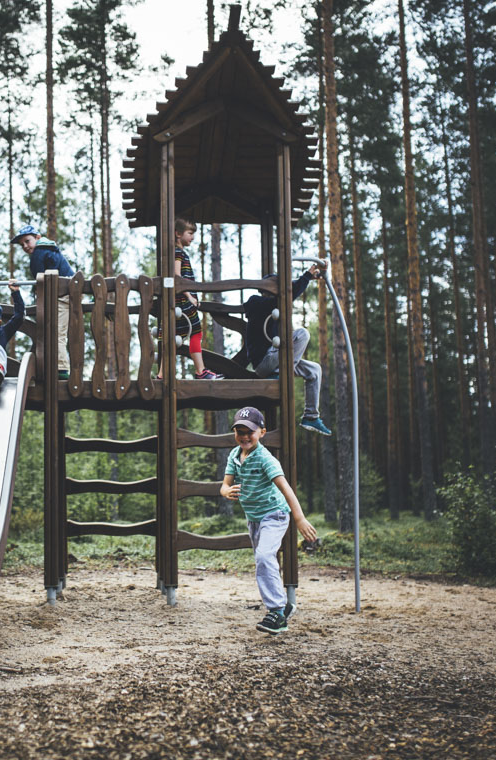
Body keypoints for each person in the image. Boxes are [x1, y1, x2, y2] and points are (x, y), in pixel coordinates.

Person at [219, 406, 318, 635]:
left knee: (264, 557)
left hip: (275, 514)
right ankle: (285, 605)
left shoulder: (266, 459)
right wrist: (226, 492)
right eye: (239, 431)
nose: (244, 436)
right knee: (262, 561)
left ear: (262, 432)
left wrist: (300, 518)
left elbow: (286, 488)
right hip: (254, 518)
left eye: (249, 431)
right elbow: (224, 484)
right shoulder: (234, 455)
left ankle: (276, 613)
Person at [242, 267, 332, 436]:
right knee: (302, 334)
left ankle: (311, 416)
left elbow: (290, 290)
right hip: (264, 363)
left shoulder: (276, 306)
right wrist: (306, 276)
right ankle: (278, 373)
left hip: (277, 359)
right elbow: (287, 295)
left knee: (314, 370)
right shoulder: (255, 302)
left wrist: (309, 277)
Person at [11, 224, 76, 380]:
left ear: (37, 238)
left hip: (61, 294)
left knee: (57, 332)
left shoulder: (40, 252)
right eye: (22, 245)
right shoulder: (51, 250)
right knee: (53, 331)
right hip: (63, 293)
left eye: (27, 241)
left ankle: (61, 369)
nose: (25, 246)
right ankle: (54, 365)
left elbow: (39, 275)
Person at [173, 218, 223, 379]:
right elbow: (177, 276)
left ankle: (163, 373)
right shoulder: (178, 253)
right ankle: (200, 371)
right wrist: (189, 296)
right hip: (183, 301)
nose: (193, 237)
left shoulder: (180, 252)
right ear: (178, 234)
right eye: (190, 233)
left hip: (183, 300)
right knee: (195, 333)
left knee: (179, 335)